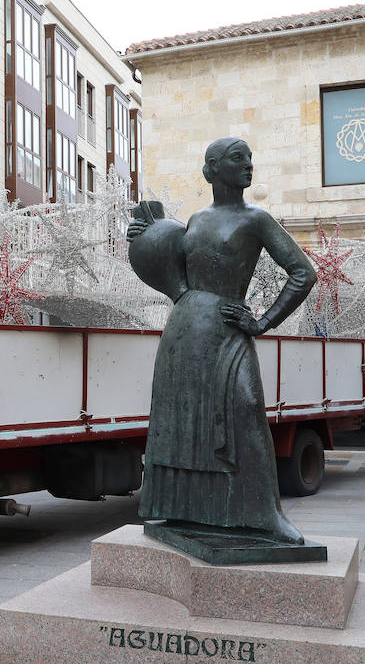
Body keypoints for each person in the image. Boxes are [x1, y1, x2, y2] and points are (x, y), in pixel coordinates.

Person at [126, 137, 315, 547]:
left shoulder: (256, 219)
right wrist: (145, 237)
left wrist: (263, 321)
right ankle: (184, 510)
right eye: (238, 159)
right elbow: (170, 272)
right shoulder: (195, 220)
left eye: (250, 158)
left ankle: (267, 516)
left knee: (246, 413)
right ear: (212, 169)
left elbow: (303, 274)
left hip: (228, 329)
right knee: (181, 421)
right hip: (185, 329)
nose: (249, 165)